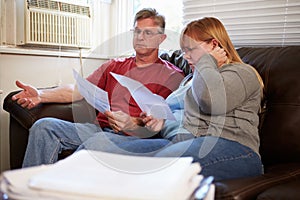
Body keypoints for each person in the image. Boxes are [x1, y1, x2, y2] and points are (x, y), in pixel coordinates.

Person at [77, 17, 264, 181]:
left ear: (214, 45)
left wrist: (207, 61)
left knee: (162, 164)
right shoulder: (189, 81)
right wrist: (159, 122)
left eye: (191, 49)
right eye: (184, 50)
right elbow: (177, 117)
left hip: (234, 149)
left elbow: (210, 101)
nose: (186, 56)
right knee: (97, 144)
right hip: (181, 143)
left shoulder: (242, 72)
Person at [12, 8, 184, 168]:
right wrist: (41, 95)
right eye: (137, 31)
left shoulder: (172, 76)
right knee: (44, 127)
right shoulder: (115, 65)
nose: (140, 37)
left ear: (161, 38)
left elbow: (166, 119)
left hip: (133, 137)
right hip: (98, 129)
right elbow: (78, 90)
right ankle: (29, 190)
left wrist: (132, 122)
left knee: (98, 142)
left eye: (148, 33)